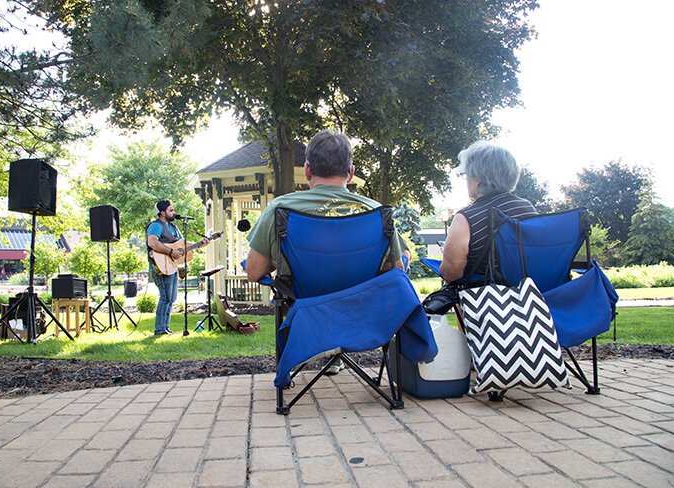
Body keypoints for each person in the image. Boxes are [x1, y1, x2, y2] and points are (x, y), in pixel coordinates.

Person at [245, 130, 407, 374]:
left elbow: (254, 271)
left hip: (305, 303)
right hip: (361, 304)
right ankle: (338, 356)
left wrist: (277, 262)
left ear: (308, 170)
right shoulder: (376, 212)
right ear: (351, 172)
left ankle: (308, 360)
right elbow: (397, 270)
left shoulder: (281, 208)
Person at [439, 141, 537, 284]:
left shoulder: (466, 218)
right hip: (531, 295)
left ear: (477, 178)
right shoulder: (528, 208)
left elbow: (452, 274)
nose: (465, 179)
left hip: (487, 300)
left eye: (466, 175)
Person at [146, 200, 209, 335]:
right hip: (160, 265)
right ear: (162, 213)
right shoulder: (156, 225)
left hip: (172, 265)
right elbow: (152, 242)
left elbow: (181, 245)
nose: (174, 213)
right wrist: (170, 252)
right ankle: (159, 329)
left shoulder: (174, 227)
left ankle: (165, 328)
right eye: (171, 210)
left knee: (171, 298)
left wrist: (200, 244)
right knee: (165, 297)